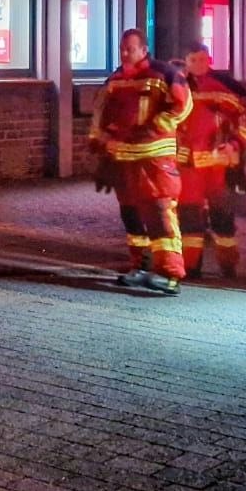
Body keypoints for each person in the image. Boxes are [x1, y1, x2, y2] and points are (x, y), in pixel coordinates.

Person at [89, 28, 192, 296]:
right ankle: (141, 267)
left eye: (130, 49)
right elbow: (101, 113)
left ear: (143, 50)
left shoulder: (164, 74)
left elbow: (183, 104)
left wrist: (156, 126)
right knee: (131, 216)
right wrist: (100, 147)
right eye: (122, 49)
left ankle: (171, 275)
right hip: (124, 160)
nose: (125, 54)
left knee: (160, 212)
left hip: (155, 158)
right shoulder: (116, 79)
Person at [177, 43, 246, 279]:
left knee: (223, 218)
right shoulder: (177, 87)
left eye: (202, 60)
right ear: (186, 62)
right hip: (189, 164)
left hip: (218, 164)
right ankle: (191, 267)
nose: (199, 65)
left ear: (209, 60)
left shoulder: (222, 87)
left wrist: (234, 145)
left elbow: (245, 120)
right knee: (189, 217)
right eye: (193, 61)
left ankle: (228, 265)